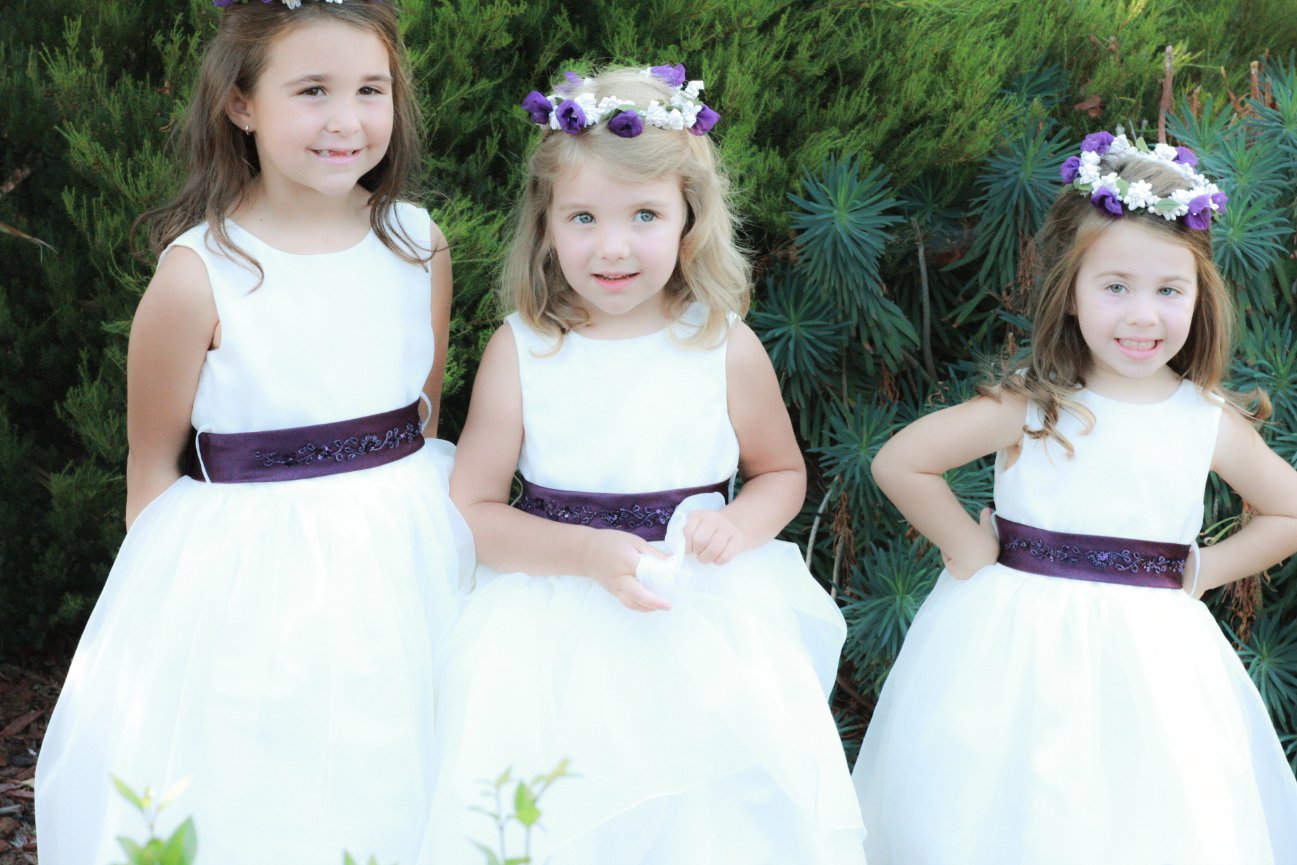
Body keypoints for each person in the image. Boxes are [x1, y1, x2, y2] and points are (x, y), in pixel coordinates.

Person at [35, 2, 471, 862]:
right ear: (241, 103)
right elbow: (151, 473)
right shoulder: (198, 274)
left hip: (404, 549)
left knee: (402, 752)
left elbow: (422, 413)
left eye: (370, 90)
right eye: (311, 90)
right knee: (269, 774)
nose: (345, 120)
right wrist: (177, 622)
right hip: (255, 574)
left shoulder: (418, 243)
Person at [420, 66, 866, 865]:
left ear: (690, 220)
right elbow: (475, 511)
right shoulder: (523, 348)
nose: (613, 246)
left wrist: (740, 521)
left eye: (645, 215)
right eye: (582, 217)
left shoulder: (721, 342)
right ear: (545, 224)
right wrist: (586, 553)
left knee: (709, 827)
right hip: (550, 633)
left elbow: (780, 472)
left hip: (701, 619)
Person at [853, 131, 1297, 864]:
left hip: (1150, 663)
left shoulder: (1203, 419)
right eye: (1115, 287)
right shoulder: (1033, 405)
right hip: (1014, 650)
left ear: (1199, 297)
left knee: (1141, 821)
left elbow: (1287, 509)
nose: (1142, 315)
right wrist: (968, 546)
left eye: (1168, 290)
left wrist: (1204, 570)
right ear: (1069, 292)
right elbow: (902, 461)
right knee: (1001, 818)